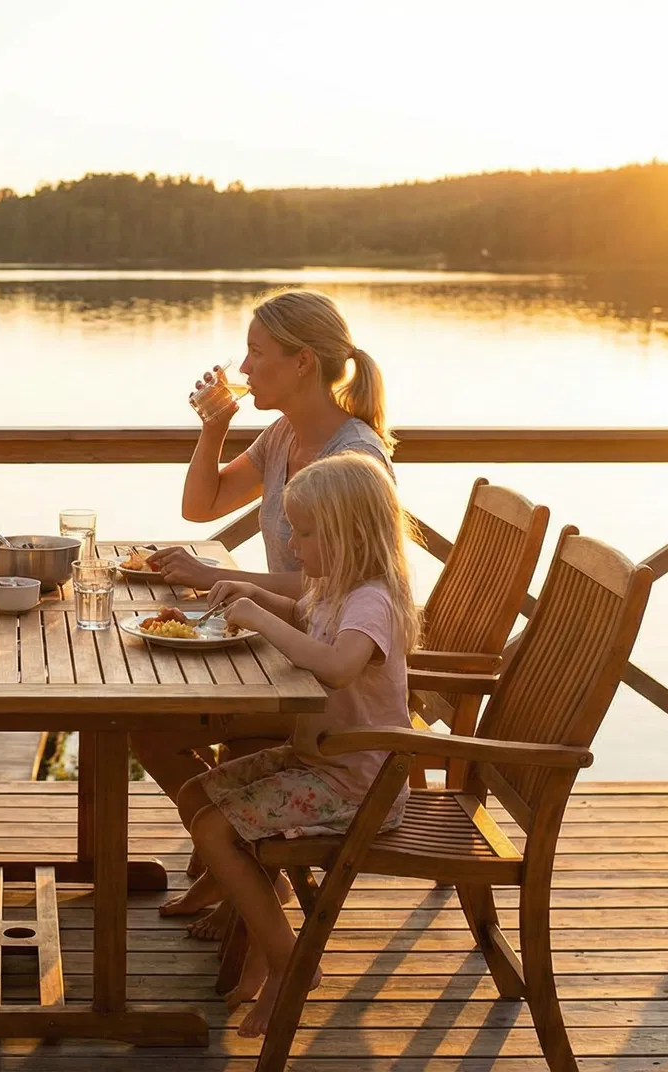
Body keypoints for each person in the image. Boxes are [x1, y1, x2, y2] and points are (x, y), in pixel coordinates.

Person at [134, 288, 397, 939]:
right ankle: (233, 868)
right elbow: (204, 505)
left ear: (303, 361)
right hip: (286, 652)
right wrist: (214, 428)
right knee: (146, 723)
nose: (244, 369)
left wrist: (218, 577)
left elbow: (331, 582)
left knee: (152, 726)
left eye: (257, 353)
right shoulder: (284, 435)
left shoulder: (353, 461)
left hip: (320, 680)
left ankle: (243, 875)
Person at [172, 454, 418, 1038]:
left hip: (359, 783)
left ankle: (289, 963)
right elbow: (304, 619)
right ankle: (263, 908)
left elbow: (335, 667)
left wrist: (259, 619)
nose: (289, 539)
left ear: (347, 534)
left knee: (213, 829)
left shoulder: (372, 601)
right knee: (195, 792)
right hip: (319, 758)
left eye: (303, 530)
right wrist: (248, 595)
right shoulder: (337, 589)